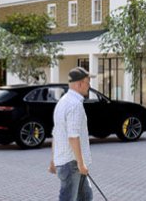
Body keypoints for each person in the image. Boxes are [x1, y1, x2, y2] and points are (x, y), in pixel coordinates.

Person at [48, 67, 95, 201]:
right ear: (79, 84)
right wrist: (81, 164)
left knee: (86, 197)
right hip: (72, 164)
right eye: (87, 82)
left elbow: (57, 134)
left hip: (68, 162)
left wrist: (53, 160)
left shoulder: (63, 102)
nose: (89, 86)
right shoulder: (75, 105)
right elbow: (73, 137)